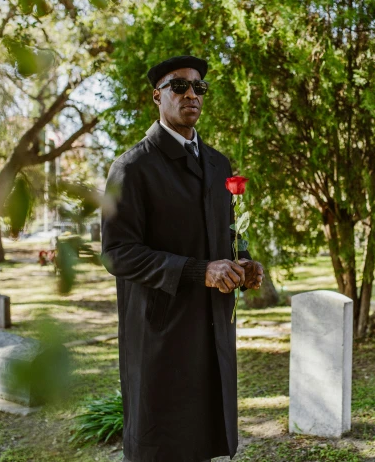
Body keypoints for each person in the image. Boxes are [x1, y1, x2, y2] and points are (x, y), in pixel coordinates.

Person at [102, 55, 265, 462]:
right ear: (157, 96)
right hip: (162, 328)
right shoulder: (131, 167)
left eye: (199, 88)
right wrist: (198, 271)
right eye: (179, 86)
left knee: (205, 435)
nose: (191, 94)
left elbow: (227, 233)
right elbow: (117, 253)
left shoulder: (217, 163)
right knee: (165, 440)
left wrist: (244, 263)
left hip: (212, 323)